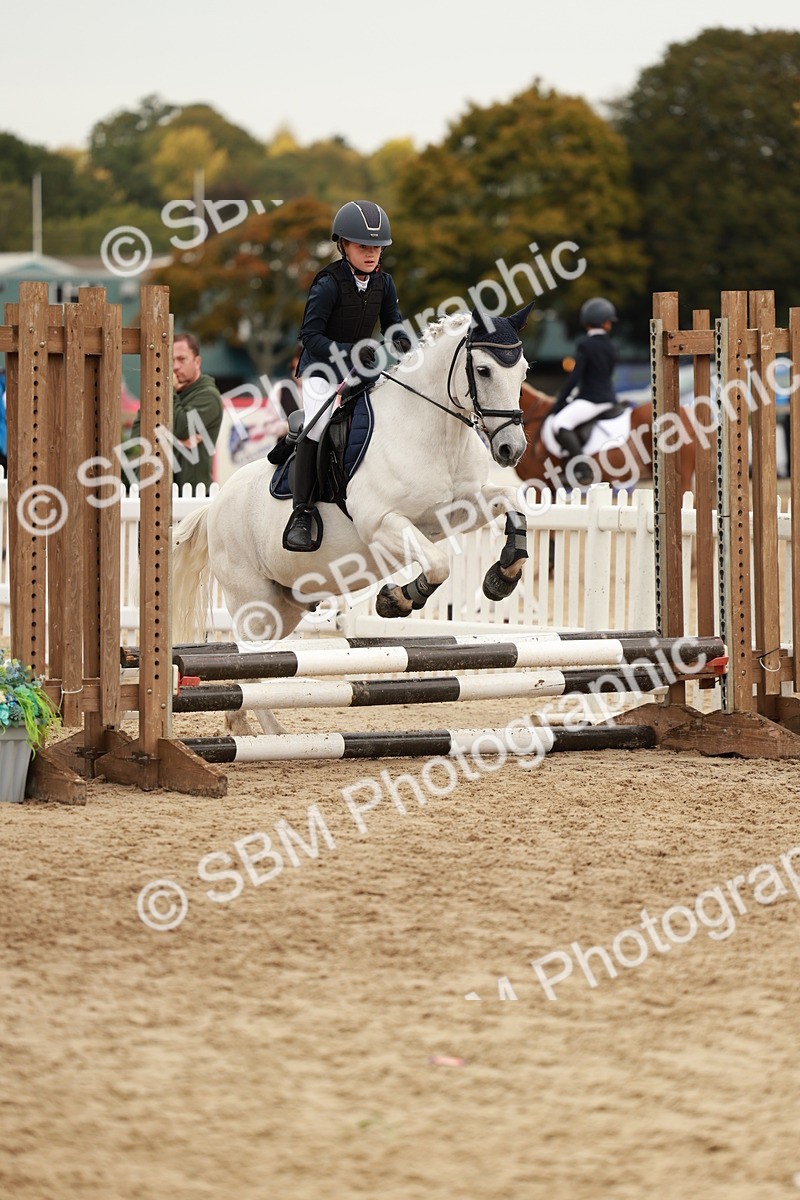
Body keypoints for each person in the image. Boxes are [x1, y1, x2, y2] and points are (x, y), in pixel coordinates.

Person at [283, 199, 412, 552]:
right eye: (363, 246)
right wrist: (350, 351)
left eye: (377, 247)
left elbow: (392, 320)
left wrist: (401, 339)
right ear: (343, 245)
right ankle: (302, 513)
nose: (371, 253)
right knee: (320, 425)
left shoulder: (384, 282)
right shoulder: (327, 283)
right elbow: (310, 337)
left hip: (360, 368)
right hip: (321, 369)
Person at [129, 333, 223, 493]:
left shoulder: (208, 396)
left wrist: (168, 389)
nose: (175, 366)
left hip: (192, 495)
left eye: (182, 359)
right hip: (152, 492)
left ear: (197, 361)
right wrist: (178, 443)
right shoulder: (161, 393)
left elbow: (181, 427)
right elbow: (138, 434)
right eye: (171, 360)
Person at [546, 297, 619, 484]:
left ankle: (583, 470)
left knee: (560, 423)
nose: (610, 324)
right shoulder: (611, 346)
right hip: (609, 398)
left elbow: (576, 377)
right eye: (609, 320)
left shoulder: (585, 345)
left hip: (591, 400)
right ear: (603, 322)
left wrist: (560, 402)